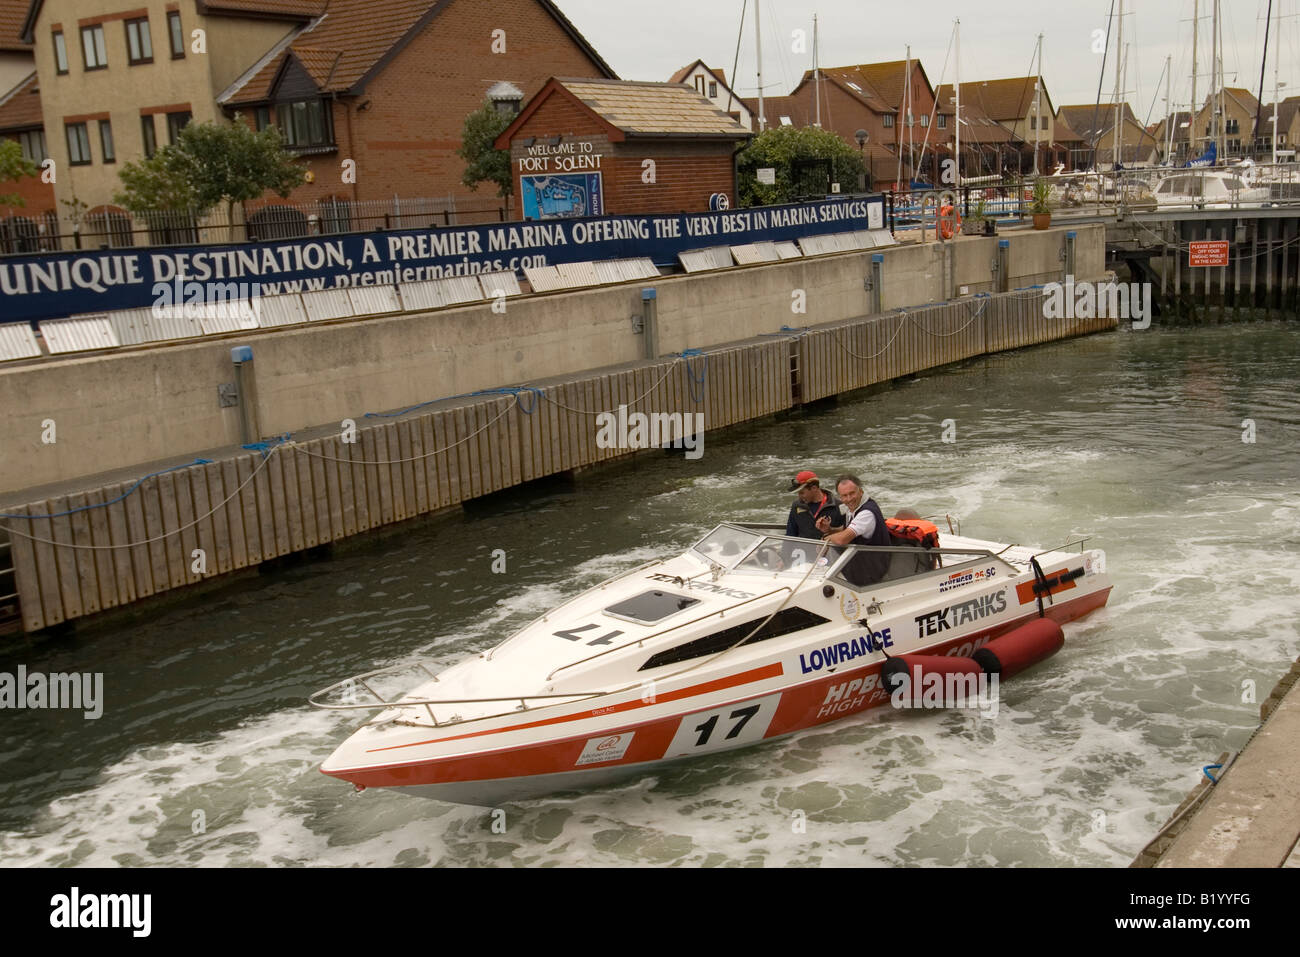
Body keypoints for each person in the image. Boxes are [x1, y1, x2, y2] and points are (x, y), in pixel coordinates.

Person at [815, 474, 892, 586]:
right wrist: (830, 529)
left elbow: (843, 539)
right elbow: (847, 528)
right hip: (858, 561)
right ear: (840, 497)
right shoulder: (853, 506)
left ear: (860, 491)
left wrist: (825, 539)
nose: (849, 499)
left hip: (872, 569)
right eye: (844, 496)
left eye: (852, 493)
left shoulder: (867, 513)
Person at [785, 471, 843, 540]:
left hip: (828, 549)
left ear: (814, 488)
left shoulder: (839, 506)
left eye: (802, 493)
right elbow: (790, 535)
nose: (799, 497)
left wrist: (830, 530)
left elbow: (845, 532)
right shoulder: (796, 505)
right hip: (802, 550)